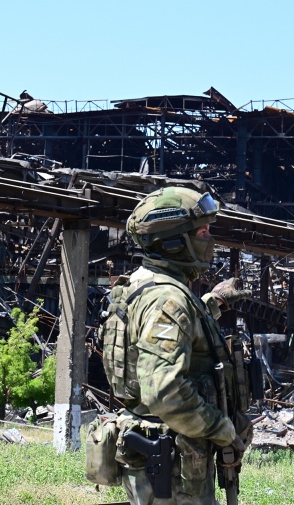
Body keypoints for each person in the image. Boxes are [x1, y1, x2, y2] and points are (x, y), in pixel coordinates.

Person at [115, 186, 253, 504]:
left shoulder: (142, 283)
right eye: (202, 231)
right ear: (175, 242)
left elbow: (179, 328)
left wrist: (215, 301)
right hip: (174, 463)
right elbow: (164, 392)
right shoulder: (168, 299)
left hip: (160, 453)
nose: (210, 238)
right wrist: (221, 426)